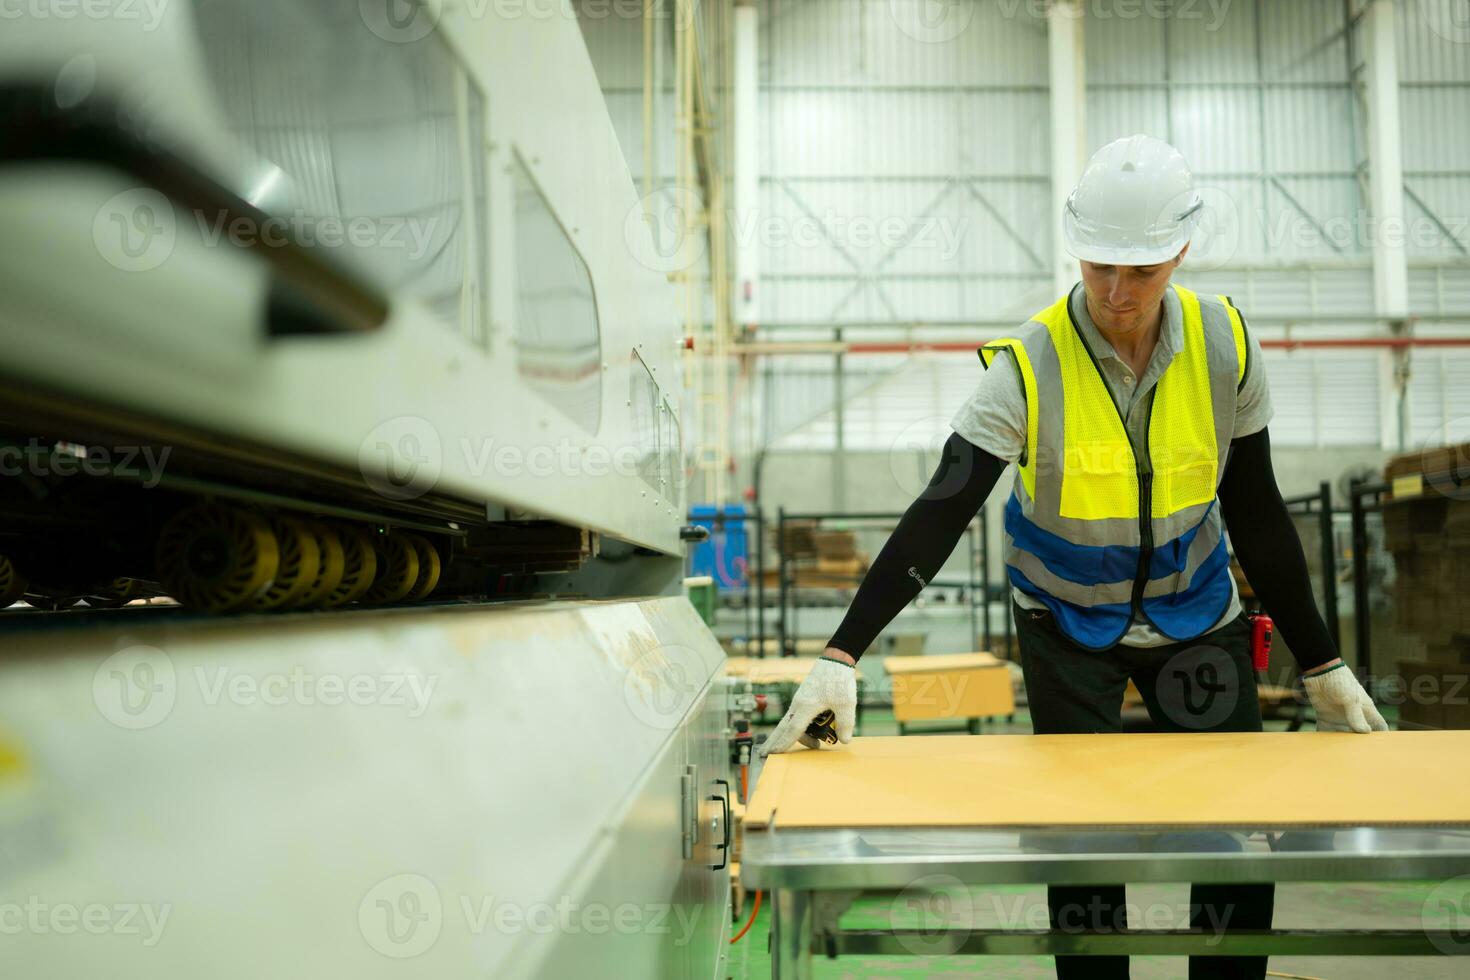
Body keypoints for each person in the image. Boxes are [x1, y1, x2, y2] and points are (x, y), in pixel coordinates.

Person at [758, 134, 1387, 980]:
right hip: (1065, 628)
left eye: (1142, 272)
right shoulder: (1028, 364)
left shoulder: (1225, 344)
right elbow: (942, 509)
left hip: (1198, 618)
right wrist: (842, 654)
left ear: (1181, 253)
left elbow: (1258, 511)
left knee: (1236, 834)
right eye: (1099, 268)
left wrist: (1323, 663)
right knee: (1081, 849)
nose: (1117, 294)